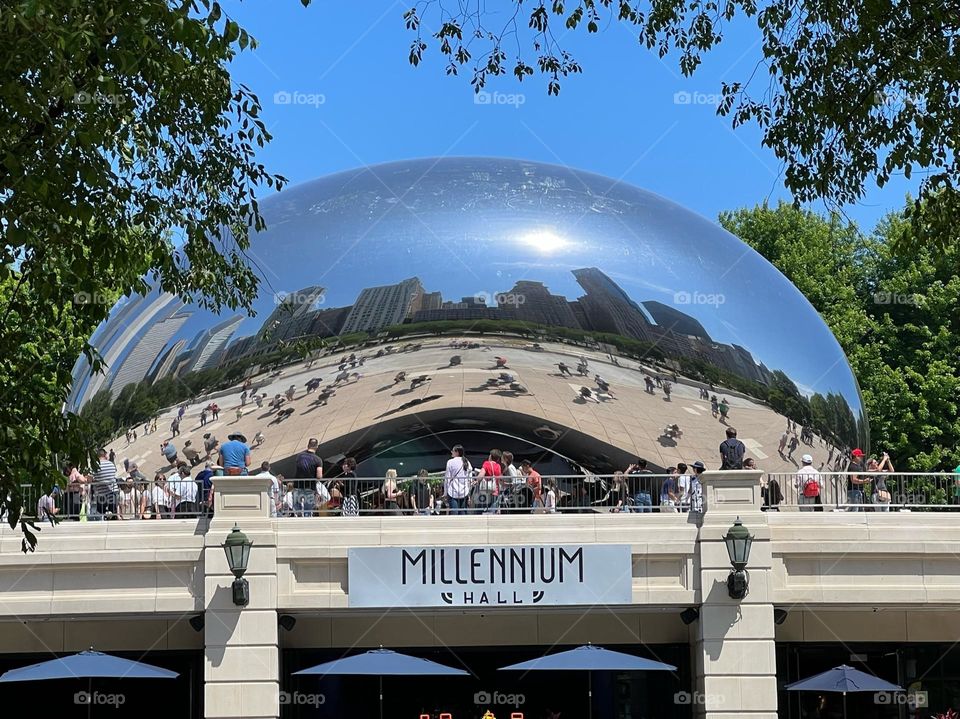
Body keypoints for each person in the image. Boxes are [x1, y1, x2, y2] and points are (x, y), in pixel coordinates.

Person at [444, 445, 472, 515]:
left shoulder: (450, 462)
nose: (451, 452)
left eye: (453, 451)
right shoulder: (467, 461)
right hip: (464, 491)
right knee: (463, 513)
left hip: (453, 491)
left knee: (454, 513)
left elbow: (447, 478)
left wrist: (445, 493)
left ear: (457, 452)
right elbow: (470, 478)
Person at [93, 447, 119, 519]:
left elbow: (92, 478)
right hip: (112, 491)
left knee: (101, 513)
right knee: (113, 512)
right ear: (104, 455)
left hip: (101, 493)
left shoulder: (96, 466)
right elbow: (113, 475)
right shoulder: (111, 464)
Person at [475, 449, 503, 513]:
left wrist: (477, 480)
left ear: (490, 456)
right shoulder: (498, 466)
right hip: (495, 491)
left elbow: (481, 475)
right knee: (492, 512)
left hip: (486, 491)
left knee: (480, 510)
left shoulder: (486, 464)